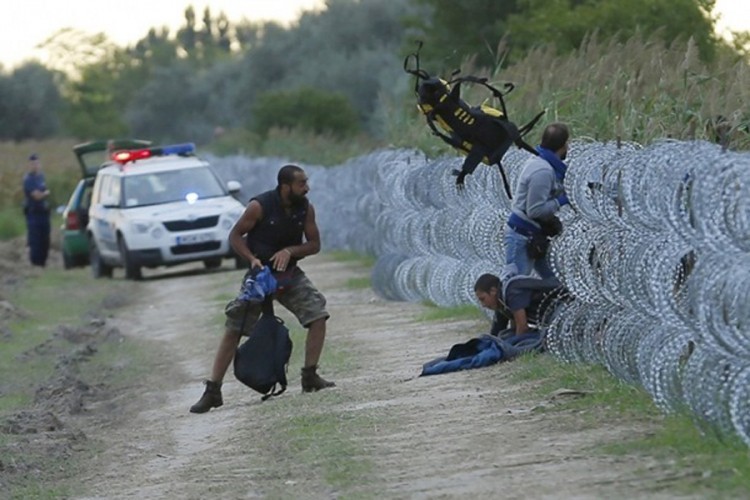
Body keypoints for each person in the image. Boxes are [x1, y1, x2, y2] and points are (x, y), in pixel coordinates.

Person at [190, 164, 334, 414]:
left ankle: (310, 376)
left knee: (318, 314)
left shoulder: (305, 209)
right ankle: (213, 390)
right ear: (285, 186)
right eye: (301, 183)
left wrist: (290, 251)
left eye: (306, 182)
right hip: (260, 276)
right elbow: (235, 236)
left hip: (288, 275)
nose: (307, 188)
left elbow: (314, 244)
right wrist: (251, 259)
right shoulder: (259, 206)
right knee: (235, 326)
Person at [504, 123, 570, 280]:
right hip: (522, 236)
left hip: (535, 235)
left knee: (554, 284)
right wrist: (562, 201)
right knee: (515, 286)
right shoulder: (543, 171)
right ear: (563, 145)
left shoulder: (545, 164)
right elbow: (535, 210)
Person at [474, 273, 566, 338]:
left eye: (483, 299)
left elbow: (522, 326)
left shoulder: (511, 291)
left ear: (493, 291)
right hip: (555, 316)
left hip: (564, 306)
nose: (483, 305)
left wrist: (513, 346)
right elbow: (498, 331)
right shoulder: (502, 301)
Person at [22, 153, 51, 267]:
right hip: (33, 214)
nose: (35, 166)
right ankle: (36, 263)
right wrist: (45, 193)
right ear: (29, 165)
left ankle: (43, 262)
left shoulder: (41, 177)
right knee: (35, 240)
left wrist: (44, 193)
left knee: (45, 239)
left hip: (44, 213)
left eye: (37, 163)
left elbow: (44, 191)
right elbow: (37, 195)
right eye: (33, 164)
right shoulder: (28, 179)